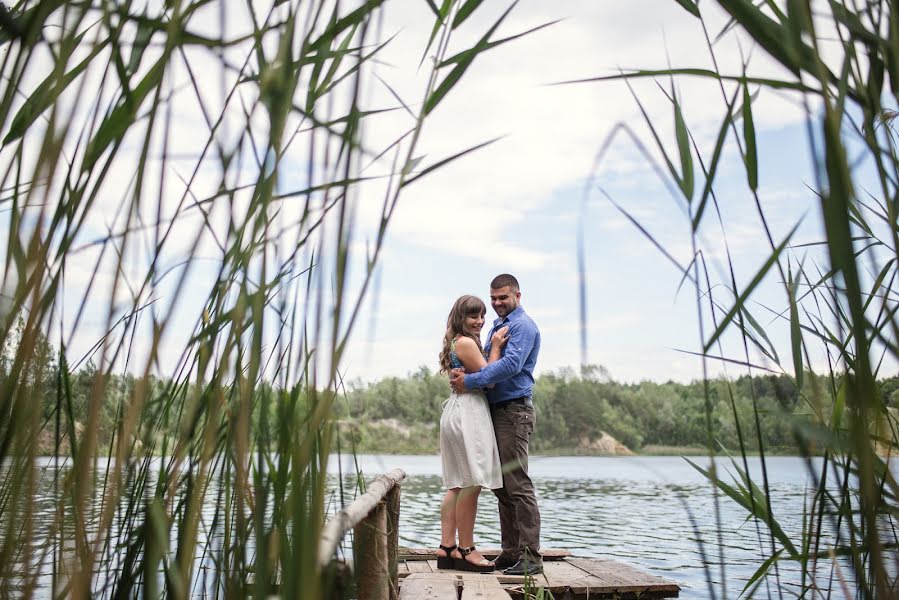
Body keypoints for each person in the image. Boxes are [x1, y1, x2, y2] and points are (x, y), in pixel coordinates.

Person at [449, 274, 542, 575]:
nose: (498, 303)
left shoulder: (522, 326)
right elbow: (491, 360)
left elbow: (510, 366)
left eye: (503, 297)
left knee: (518, 484)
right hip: (496, 413)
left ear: (518, 295)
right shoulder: (498, 328)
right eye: (494, 298)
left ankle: (531, 557)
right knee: (502, 487)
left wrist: (470, 381)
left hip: (514, 412)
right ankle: (511, 552)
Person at [436, 294, 510, 572]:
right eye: (473, 316)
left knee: (458, 483)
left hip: (458, 410)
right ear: (460, 318)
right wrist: (497, 349)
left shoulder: (457, 341)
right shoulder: (466, 342)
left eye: (481, 316)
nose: (479, 321)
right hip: (468, 413)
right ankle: (466, 549)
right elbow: (489, 378)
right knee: (471, 482)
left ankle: (447, 547)